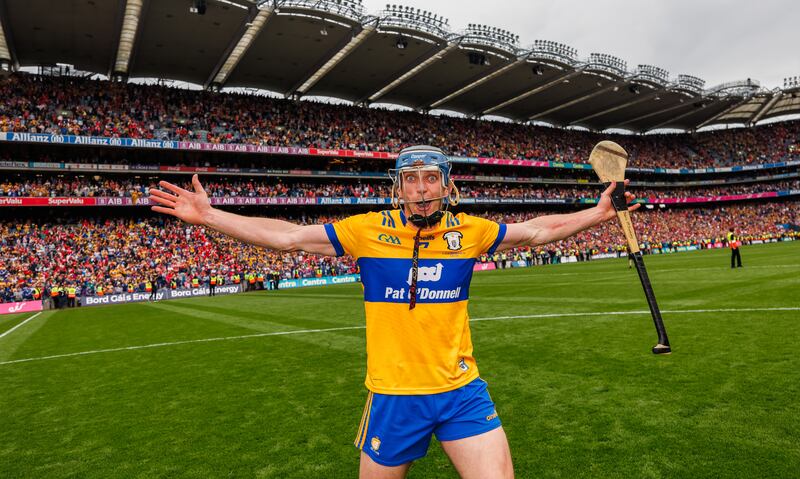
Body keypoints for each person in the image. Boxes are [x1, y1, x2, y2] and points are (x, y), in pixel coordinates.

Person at [149, 145, 639, 479]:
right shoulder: (366, 231)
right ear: (398, 187)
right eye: (412, 179)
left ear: (447, 185)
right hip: (394, 395)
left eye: (431, 178)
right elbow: (287, 237)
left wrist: (598, 213)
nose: (422, 188)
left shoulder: (469, 231)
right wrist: (209, 215)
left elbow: (537, 231)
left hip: (461, 391)